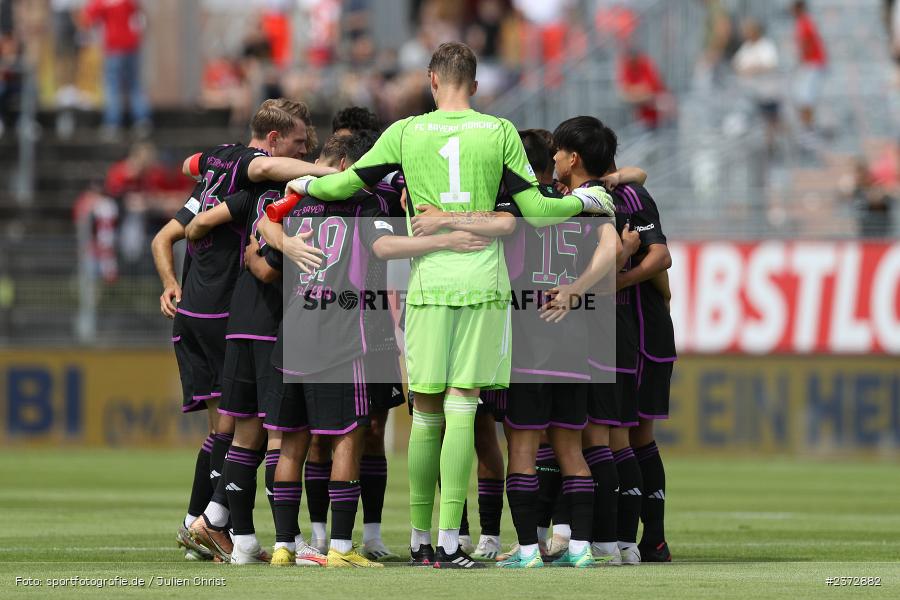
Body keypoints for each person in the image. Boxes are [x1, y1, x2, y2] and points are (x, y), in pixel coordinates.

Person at [284, 42, 612, 568]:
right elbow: (534, 213)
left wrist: (302, 181)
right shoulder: (499, 131)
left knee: (426, 412)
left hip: (428, 285)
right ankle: (450, 542)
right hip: (482, 283)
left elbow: (345, 184)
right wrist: (585, 201)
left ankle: (418, 538)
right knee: (464, 407)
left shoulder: (405, 131)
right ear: (476, 85)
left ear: (432, 80)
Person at [262, 131, 494, 568]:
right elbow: (385, 246)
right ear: (350, 165)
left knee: (291, 443)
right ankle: (342, 549)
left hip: (292, 332)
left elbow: (263, 227)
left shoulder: (293, 199)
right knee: (349, 436)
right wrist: (444, 239)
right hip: (340, 335)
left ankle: (283, 547)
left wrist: (280, 238)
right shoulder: (363, 202)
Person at [151, 99, 332, 563]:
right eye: (297, 143)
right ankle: (221, 527)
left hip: (198, 313)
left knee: (225, 430)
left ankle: (205, 523)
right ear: (272, 142)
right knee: (252, 429)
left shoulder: (215, 164)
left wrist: (172, 283)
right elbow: (202, 229)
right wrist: (325, 173)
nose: (304, 148)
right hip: (224, 315)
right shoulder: (254, 173)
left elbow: (182, 218)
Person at [81, 0, 151, 139]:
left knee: (112, 86)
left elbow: (88, 19)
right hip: (131, 44)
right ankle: (142, 120)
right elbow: (141, 13)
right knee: (134, 85)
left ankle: (112, 124)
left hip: (113, 47)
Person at [732, 18, 781, 151]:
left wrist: (754, 69)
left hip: (767, 91)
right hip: (750, 92)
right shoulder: (746, 47)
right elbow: (736, 65)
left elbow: (771, 64)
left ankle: (771, 146)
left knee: (770, 120)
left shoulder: (766, 46)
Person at [791, 0, 827, 132]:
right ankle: (806, 126)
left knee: (806, 98)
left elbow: (807, 43)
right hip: (809, 63)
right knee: (801, 97)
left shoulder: (806, 23)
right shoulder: (802, 22)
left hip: (812, 63)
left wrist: (802, 59)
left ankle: (808, 127)